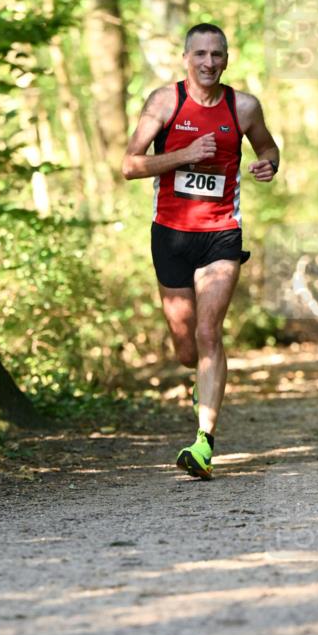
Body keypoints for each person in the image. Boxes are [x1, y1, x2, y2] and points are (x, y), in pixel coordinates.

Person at [122, 23, 279, 479]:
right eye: (200, 54)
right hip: (170, 233)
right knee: (187, 346)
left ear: (226, 59)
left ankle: (204, 440)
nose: (209, 63)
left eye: (217, 55)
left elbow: (267, 145)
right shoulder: (164, 102)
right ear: (185, 58)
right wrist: (183, 155)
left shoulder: (243, 106)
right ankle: (199, 381)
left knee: (210, 333)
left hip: (221, 234)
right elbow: (130, 165)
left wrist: (269, 163)